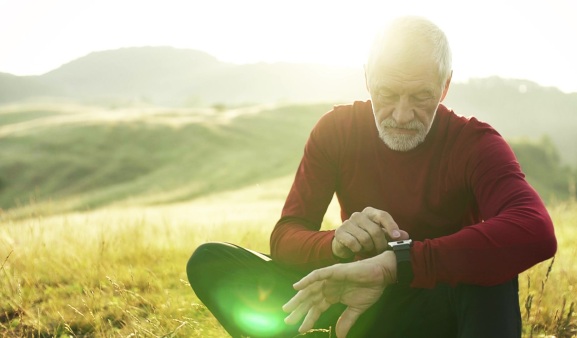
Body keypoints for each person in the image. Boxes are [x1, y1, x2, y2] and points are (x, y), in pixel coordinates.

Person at [187, 16, 557, 338]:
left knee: (489, 275)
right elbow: (286, 235)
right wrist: (334, 243)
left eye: (421, 96)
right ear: (367, 79)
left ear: (445, 86)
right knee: (212, 260)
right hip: (347, 298)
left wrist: (399, 263)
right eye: (388, 93)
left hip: (430, 309)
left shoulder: (474, 144)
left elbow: (534, 229)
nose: (401, 114)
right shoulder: (337, 131)